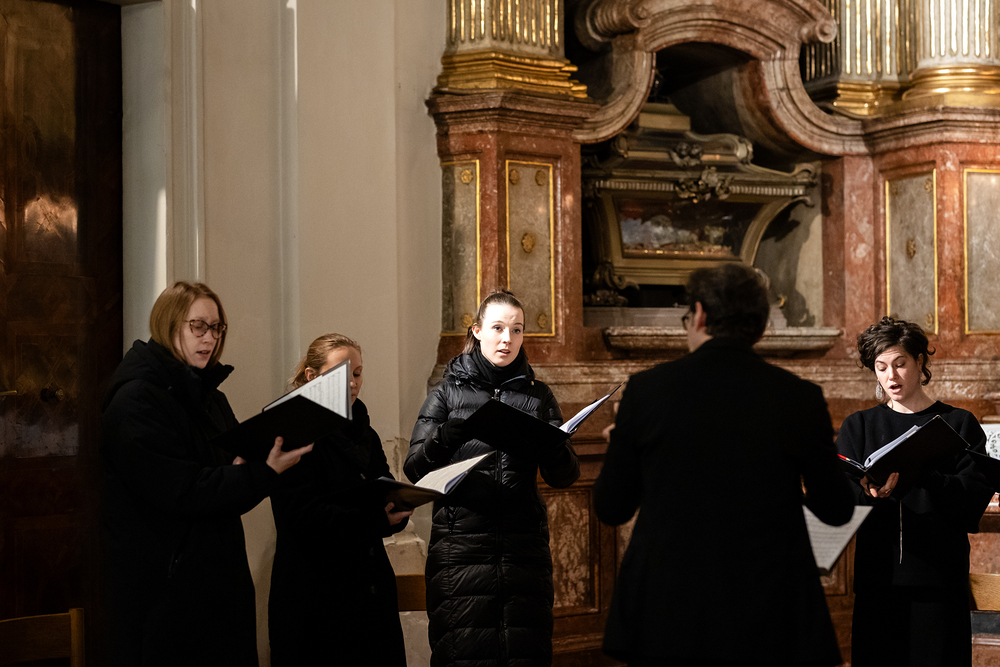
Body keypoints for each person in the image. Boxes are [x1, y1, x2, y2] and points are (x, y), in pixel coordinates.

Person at [594, 263, 855, 667]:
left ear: (699, 314)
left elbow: (612, 507)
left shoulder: (647, 391)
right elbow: (836, 509)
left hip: (668, 611)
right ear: (761, 328)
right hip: (770, 610)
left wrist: (625, 450)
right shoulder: (799, 397)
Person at [100, 281, 311, 667]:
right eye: (198, 326)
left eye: (216, 328)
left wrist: (257, 470)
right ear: (168, 324)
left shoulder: (211, 397)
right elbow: (182, 491)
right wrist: (259, 472)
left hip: (218, 580)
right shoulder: (136, 401)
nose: (209, 338)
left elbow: (229, 488)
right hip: (167, 590)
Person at [405, 290, 580, 667]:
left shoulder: (538, 396)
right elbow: (414, 468)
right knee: (465, 654)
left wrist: (554, 448)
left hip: (523, 549)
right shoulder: (446, 394)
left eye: (516, 330)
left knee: (524, 653)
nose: (507, 339)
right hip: (462, 547)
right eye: (498, 328)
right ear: (477, 331)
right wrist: (444, 436)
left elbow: (564, 476)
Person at [836, 316, 994, 667]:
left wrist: (925, 474)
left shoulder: (959, 423)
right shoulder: (859, 426)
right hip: (878, 582)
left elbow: (972, 501)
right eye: (881, 367)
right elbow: (841, 503)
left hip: (938, 582)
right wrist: (868, 492)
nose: (890, 376)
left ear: (920, 361)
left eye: (900, 364)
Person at [268, 333, 412, 666]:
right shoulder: (294, 432)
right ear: (311, 376)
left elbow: (380, 490)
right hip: (316, 596)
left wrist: (399, 505)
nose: (352, 383)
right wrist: (376, 519)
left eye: (357, 373)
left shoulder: (364, 431)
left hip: (369, 589)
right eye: (341, 373)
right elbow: (302, 517)